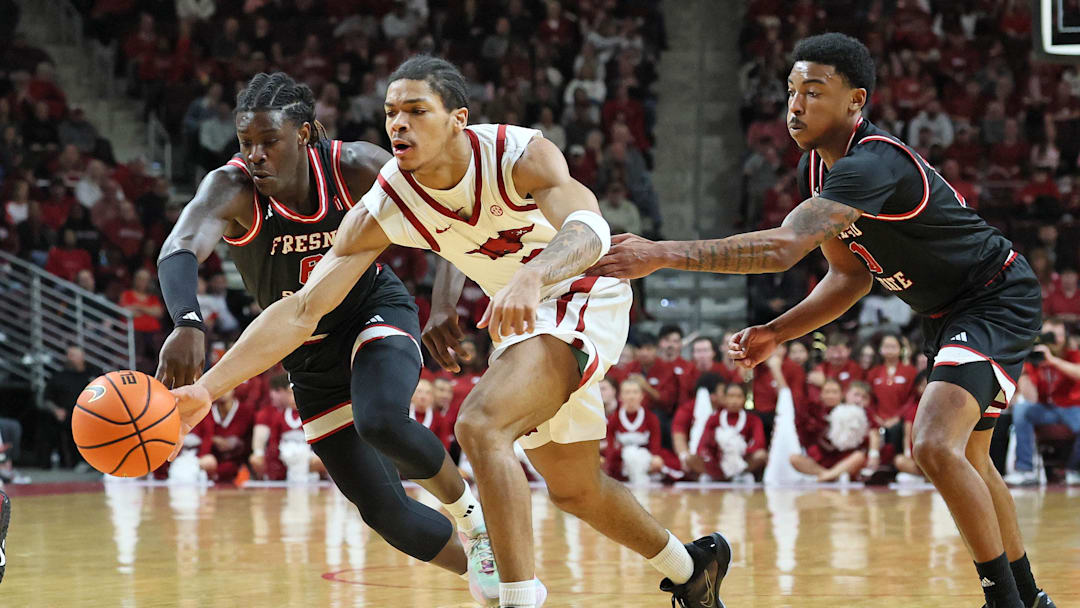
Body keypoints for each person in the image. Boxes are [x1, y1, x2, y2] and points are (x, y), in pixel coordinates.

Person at [172, 57, 729, 608]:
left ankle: (515, 599)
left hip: (582, 293)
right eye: (391, 112)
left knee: (480, 424)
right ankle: (691, 569)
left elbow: (590, 229)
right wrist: (207, 388)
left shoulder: (516, 153)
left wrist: (534, 275)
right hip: (522, 317)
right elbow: (300, 311)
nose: (398, 124)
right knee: (575, 488)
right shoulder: (387, 200)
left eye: (416, 110)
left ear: (458, 119)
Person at [590, 33, 1054, 608]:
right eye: (790, 91)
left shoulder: (872, 162)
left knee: (935, 445)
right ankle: (1030, 599)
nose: (795, 105)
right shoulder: (822, 172)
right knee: (973, 458)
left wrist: (662, 252)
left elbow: (784, 248)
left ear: (856, 102)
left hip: (993, 296)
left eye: (813, 91)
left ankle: (1005, 604)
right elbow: (850, 276)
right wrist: (777, 332)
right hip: (948, 311)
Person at [154, 72, 498, 604]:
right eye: (246, 143)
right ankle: (486, 579)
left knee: (380, 418)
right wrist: (186, 321)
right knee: (387, 514)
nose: (255, 155)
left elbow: (454, 222)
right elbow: (179, 246)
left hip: (372, 311)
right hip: (302, 349)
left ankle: (476, 524)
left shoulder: (356, 165)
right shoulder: (231, 186)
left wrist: (445, 304)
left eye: (269, 142)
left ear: (306, 134)